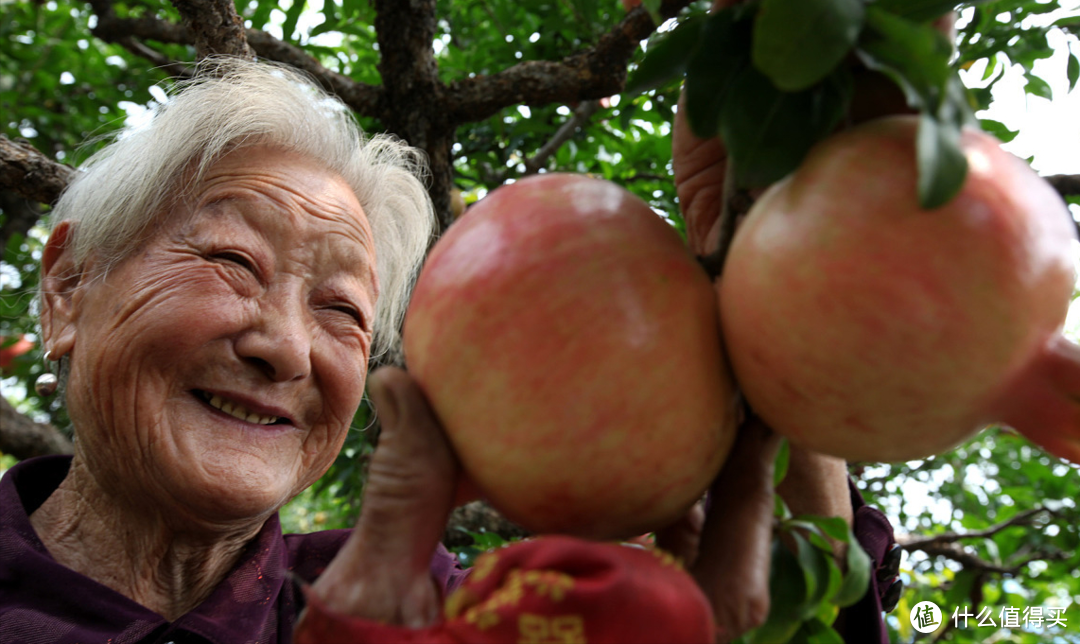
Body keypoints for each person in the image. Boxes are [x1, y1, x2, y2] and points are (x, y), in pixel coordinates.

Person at [0, 55, 898, 644]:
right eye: (234, 260)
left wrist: (765, 300)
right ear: (69, 286)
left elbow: (797, 606)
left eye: (342, 312)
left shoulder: (460, 612)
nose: (287, 349)